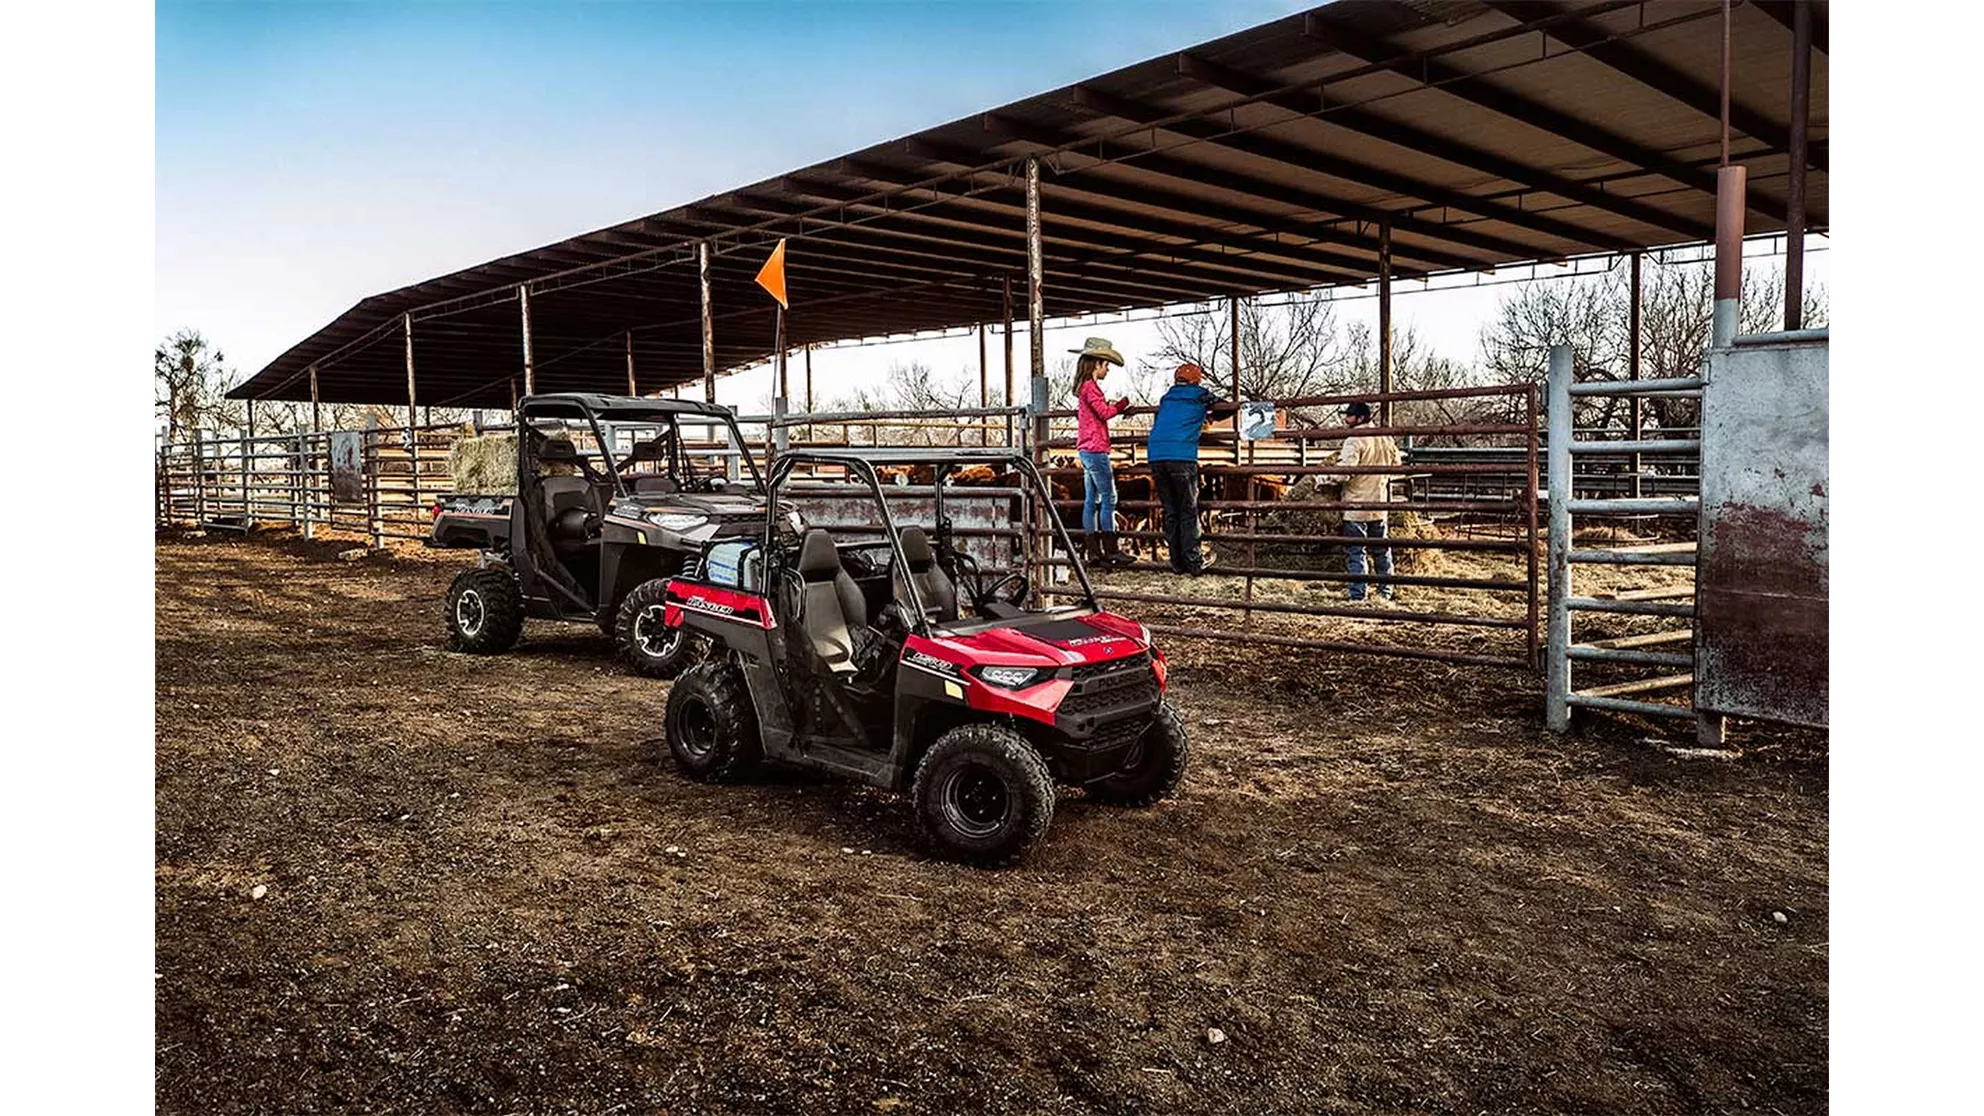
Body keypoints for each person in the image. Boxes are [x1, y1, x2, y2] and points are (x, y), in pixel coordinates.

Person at [1146, 362, 1239, 575]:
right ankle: (1194, 561)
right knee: (1188, 510)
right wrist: (1210, 416)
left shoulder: (1167, 398)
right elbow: (1228, 407)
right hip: (1181, 455)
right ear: (1196, 380)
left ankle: (1176, 562)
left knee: (1171, 510)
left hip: (1156, 454)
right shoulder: (1200, 394)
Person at [1069, 336, 1135, 566]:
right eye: (1105, 365)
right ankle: (1111, 549)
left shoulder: (1084, 389)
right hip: (1096, 449)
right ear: (1096, 364)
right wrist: (1121, 405)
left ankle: (1094, 550)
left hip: (1086, 449)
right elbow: (1104, 413)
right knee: (1109, 497)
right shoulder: (1091, 388)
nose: (1107, 369)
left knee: (1091, 500)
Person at [1332, 402, 1402, 602]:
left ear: (1361, 418)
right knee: (1381, 550)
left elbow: (1344, 472)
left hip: (1356, 504)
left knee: (1356, 551)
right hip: (1379, 503)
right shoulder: (1385, 437)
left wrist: (1322, 479)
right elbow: (1396, 463)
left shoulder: (1354, 439)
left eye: (1350, 416)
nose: (1346, 420)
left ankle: (1358, 595)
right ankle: (1385, 592)